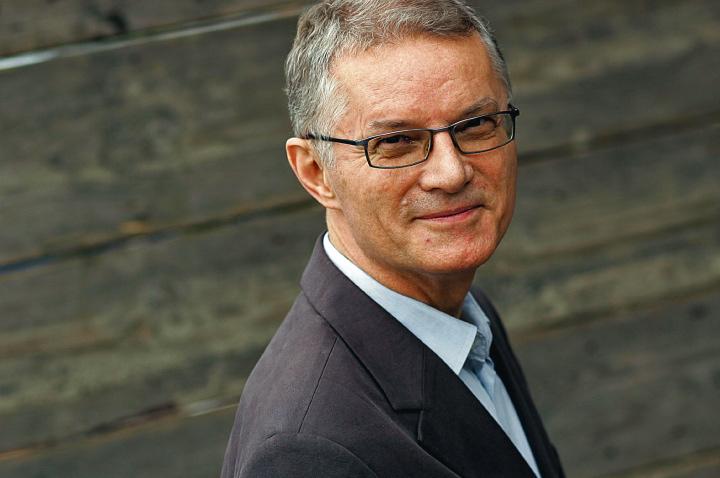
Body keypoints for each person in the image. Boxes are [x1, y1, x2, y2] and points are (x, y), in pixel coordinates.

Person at [222, 1, 565, 476]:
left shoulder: (463, 315)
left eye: (475, 125)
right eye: (396, 141)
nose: (450, 173)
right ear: (316, 172)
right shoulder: (305, 450)